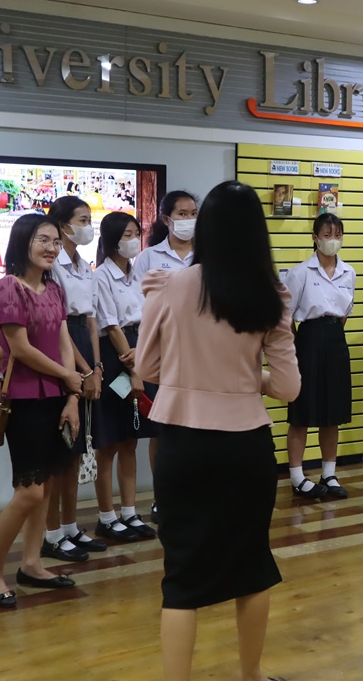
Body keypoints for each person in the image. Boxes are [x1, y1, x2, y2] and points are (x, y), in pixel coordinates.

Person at [135, 180, 298, 681]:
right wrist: (247, 378)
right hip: (246, 444)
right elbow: (288, 387)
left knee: (182, 577)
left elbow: (146, 367)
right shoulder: (272, 294)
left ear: (204, 227)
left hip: (182, 444)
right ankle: (251, 675)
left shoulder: (172, 284)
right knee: (252, 566)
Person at [0, 214, 84, 607]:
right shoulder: (9, 286)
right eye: (43, 239)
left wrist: (72, 394)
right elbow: (20, 349)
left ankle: (32, 564)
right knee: (30, 491)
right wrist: (68, 376)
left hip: (58, 395)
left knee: (48, 487)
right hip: (24, 400)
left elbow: (64, 343)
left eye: (56, 241)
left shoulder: (54, 288)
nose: (51, 248)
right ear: (23, 241)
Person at [41, 196, 107, 561]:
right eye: (82, 220)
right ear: (62, 224)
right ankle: (50, 534)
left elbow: (92, 320)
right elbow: (60, 324)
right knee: (60, 449)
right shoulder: (53, 266)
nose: (87, 227)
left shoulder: (85, 265)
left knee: (77, 449)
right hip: (63, 347)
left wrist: (97, 367)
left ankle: (70, 527)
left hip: (84, 343)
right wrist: (82, 370)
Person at [133, 191, 197, 522]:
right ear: (167, 219)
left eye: (194, 213)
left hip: (200, 353)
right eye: (182, 214)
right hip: (162, 353)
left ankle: (193, 496)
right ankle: (162, 497)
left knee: (196, 427)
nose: (189, 220)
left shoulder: (207, 254)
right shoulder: (149, 257)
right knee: (162, 429)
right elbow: (138, 307)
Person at [93, 211, 156, 542]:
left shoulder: (136, 275)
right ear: (112, 239)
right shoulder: (102, 276)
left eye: (136, 234)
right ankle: (107, 517)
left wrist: (142, 358)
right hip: (116, 358)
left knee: (130, 439)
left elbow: (145, 319)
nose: (134, 240)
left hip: (138, 351)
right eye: (127, 235)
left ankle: (129, 513)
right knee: (109, 442)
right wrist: (133, 370)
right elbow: (112, 326)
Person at [284, 213, 356, 499]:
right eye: (327, 235)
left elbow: (345, 314)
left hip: (336, 341)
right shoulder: (300, 272)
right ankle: (297, 476)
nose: (332, 240)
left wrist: (332, 334)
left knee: (332, 413)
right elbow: (286, 316)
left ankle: (329, 473)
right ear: (315, 238)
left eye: (338, 235)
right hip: (308, 341)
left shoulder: (349, 272)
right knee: (301, 413)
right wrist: (293, 349)